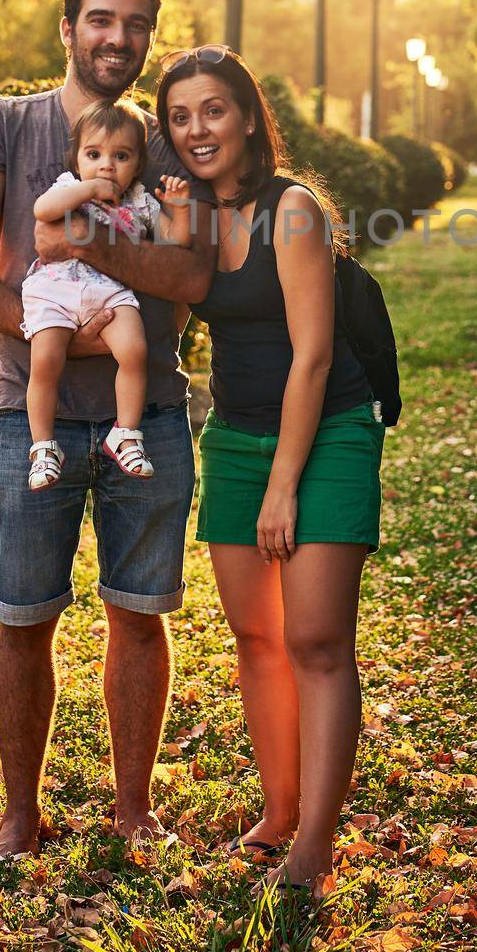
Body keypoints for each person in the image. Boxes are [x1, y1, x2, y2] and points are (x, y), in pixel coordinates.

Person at [0, 0, 216, 863]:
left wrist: (87, 245)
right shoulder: (4, 124)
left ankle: (134, 810)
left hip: (148, 414)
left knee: (140, 612)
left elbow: (192, 279)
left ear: (148, 37)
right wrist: (42, 328)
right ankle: (20, 815)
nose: (115, 38)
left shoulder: (165, 146)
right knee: (23, 614)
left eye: (133, 25)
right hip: (28, 415)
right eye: (98, 20)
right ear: (66, 29)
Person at [156, 45, 386, 895]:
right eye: (179, 116)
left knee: (317, 642)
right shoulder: (189, 214)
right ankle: (279, 810)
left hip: (326, 434)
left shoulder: (294, 211)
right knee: (256, 641)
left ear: (248, 116)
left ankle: (314, 848)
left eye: (212, 110)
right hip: (235, 437)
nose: (196, 130)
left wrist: (285, 483)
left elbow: (315, 356)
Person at [24, 98, 161, 487]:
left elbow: (175, 238)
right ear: (77, 159)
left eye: (121, 156)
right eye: (94, 153)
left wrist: (181, 209)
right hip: (57, 287)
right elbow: (43, 209)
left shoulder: (139, 200)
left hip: (109, 290)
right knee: (46, 360)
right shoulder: (70, 186)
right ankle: (44, 446)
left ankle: (126, 434)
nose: (107, 165)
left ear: (137, 164)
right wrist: (87, 190)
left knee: (135, 350)